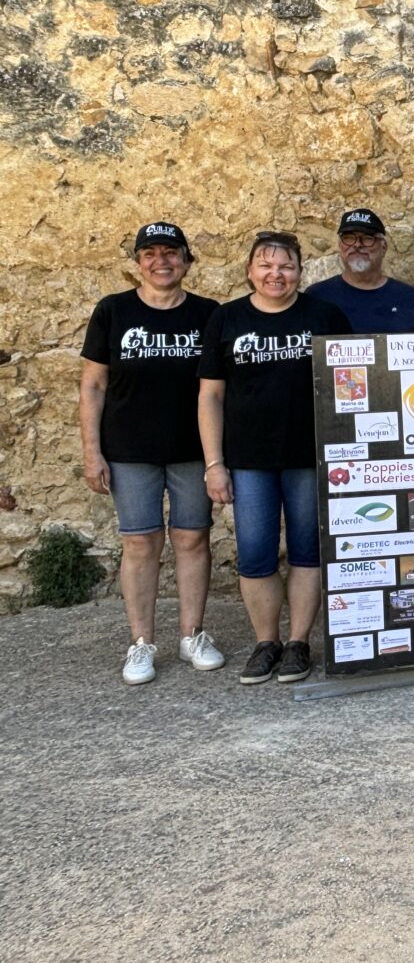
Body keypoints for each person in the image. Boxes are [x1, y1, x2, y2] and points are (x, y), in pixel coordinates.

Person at [198, 231, 351, 684]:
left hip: (310, 459)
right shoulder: (226, 319)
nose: (275, 274)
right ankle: (267, 642)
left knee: (307, 552)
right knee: (256, 555)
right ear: (249, 271)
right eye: (265, 265)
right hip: (248, 462)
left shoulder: (324, 315)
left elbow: (352, 382)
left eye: (285, 265)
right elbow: (210, 396)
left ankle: (299, 643)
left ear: (300, 272)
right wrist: (214, 463)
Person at [80, 222, 223, 685]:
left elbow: (221, 390)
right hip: (129, 450)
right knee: (140, 543)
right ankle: (141, 643)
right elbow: (93, 385)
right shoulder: (113, 311)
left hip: (191, 450)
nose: (161, 261)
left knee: (192, 539)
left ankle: (192, 634)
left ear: (187, 260)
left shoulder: (208, 314)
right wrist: (91, 452)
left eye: (171, 253)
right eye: (150, 254)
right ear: (138, 262)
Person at [304, 208, 414, 337]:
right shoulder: (315, 297)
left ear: (384, 247)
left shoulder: (413, 299)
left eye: (367, 238)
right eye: (349, 238)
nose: (357, 245)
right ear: (340, 245)